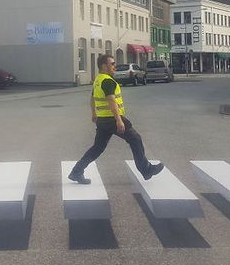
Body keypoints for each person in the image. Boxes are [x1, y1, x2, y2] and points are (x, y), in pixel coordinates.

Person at [68, 54, 164, 184]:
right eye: (112, 63)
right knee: (135, 139)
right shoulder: (108, 81)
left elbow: (92, 97)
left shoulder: (98, 80)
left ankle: (76, 172)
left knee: (97, 148)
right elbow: (111, 101)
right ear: (104, 66)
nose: (115, 66)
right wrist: (119, 120)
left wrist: (94, 113)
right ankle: (146, 169)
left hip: (103, 120)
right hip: (111, 119)